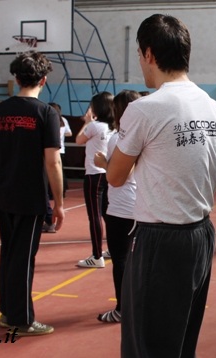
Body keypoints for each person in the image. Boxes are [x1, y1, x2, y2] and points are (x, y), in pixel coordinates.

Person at [107, 14, 216, 357]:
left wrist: (180, 173)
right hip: (200, 235)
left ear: (149, 54)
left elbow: (115, 177)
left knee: (147, 343)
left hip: (160, 240)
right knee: (181, 338)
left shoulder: (145, 109)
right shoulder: (213, 107)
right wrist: (191, 175)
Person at [0, 51, 64, 335]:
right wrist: (59, 203)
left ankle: (8, 311)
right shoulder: (46, 113)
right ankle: (21, 319)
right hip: (30, 198)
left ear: (16, 78)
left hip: (5, 196)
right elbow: (53, 161)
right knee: (23, 258)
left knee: (9, 254)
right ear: (43, 80)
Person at [93, 89, 141, 323]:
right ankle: (138, 303)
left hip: (122, 207)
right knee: (138, 259)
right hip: (143, 206)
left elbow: (119, 175)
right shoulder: (147, 134)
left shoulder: (120, 137)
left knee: (120, 259)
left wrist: (103, 162)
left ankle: (123, 308)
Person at [75, 92, 115, 268]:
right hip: (107, 172)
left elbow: (78, 140)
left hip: (94, 174)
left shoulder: (94, 126)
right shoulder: (113, 127)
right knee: (107, 213)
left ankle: (97, 256)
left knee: (94, 216)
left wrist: (86, 122)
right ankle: (113, 248)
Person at [49, 102, 72, 197]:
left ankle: (52, 192)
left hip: (51, 148)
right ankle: (62, 190)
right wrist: (62, 135)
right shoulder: (63, 120)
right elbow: (69, 133)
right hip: (61, 149)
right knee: (60, 170)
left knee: (51, 171)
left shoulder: (50, 119)